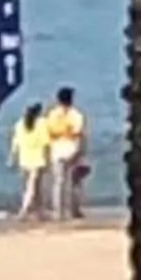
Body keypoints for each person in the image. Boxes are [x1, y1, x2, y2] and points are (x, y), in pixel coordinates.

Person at [41, 87, 87, 220]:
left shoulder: (51, 114)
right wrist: (81, 151)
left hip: (56, 149)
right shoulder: (76, 115)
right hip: (71, 147)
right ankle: (74, 209)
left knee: (58, 182)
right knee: (75, 181)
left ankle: (58, 211)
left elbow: (48, 134)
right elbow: (78, 134)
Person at [10, 101, 51, 219]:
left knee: (32, 187)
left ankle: (39, 211)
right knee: (33, 187)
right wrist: (48, 160)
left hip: (24, 158)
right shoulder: (42, 124)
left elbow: (15, 143)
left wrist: (12, 157)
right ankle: (23, 211)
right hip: (38, 159)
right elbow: (45, 144)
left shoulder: (19, 124)